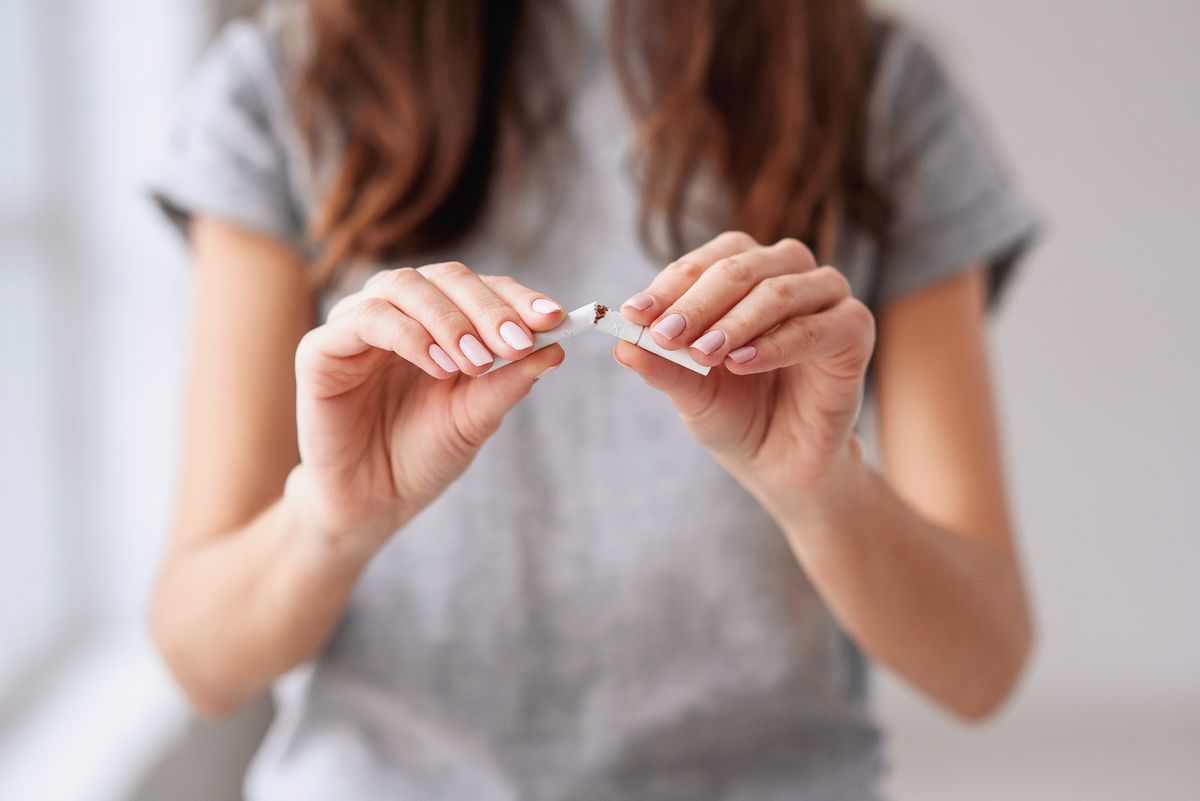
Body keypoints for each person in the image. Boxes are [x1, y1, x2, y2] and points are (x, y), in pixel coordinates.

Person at [149, 1, 1038, 798]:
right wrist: (332, 521)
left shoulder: (879, 89)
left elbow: (983, 663)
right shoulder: (285, 81)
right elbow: (202, 658)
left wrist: (823, 493)